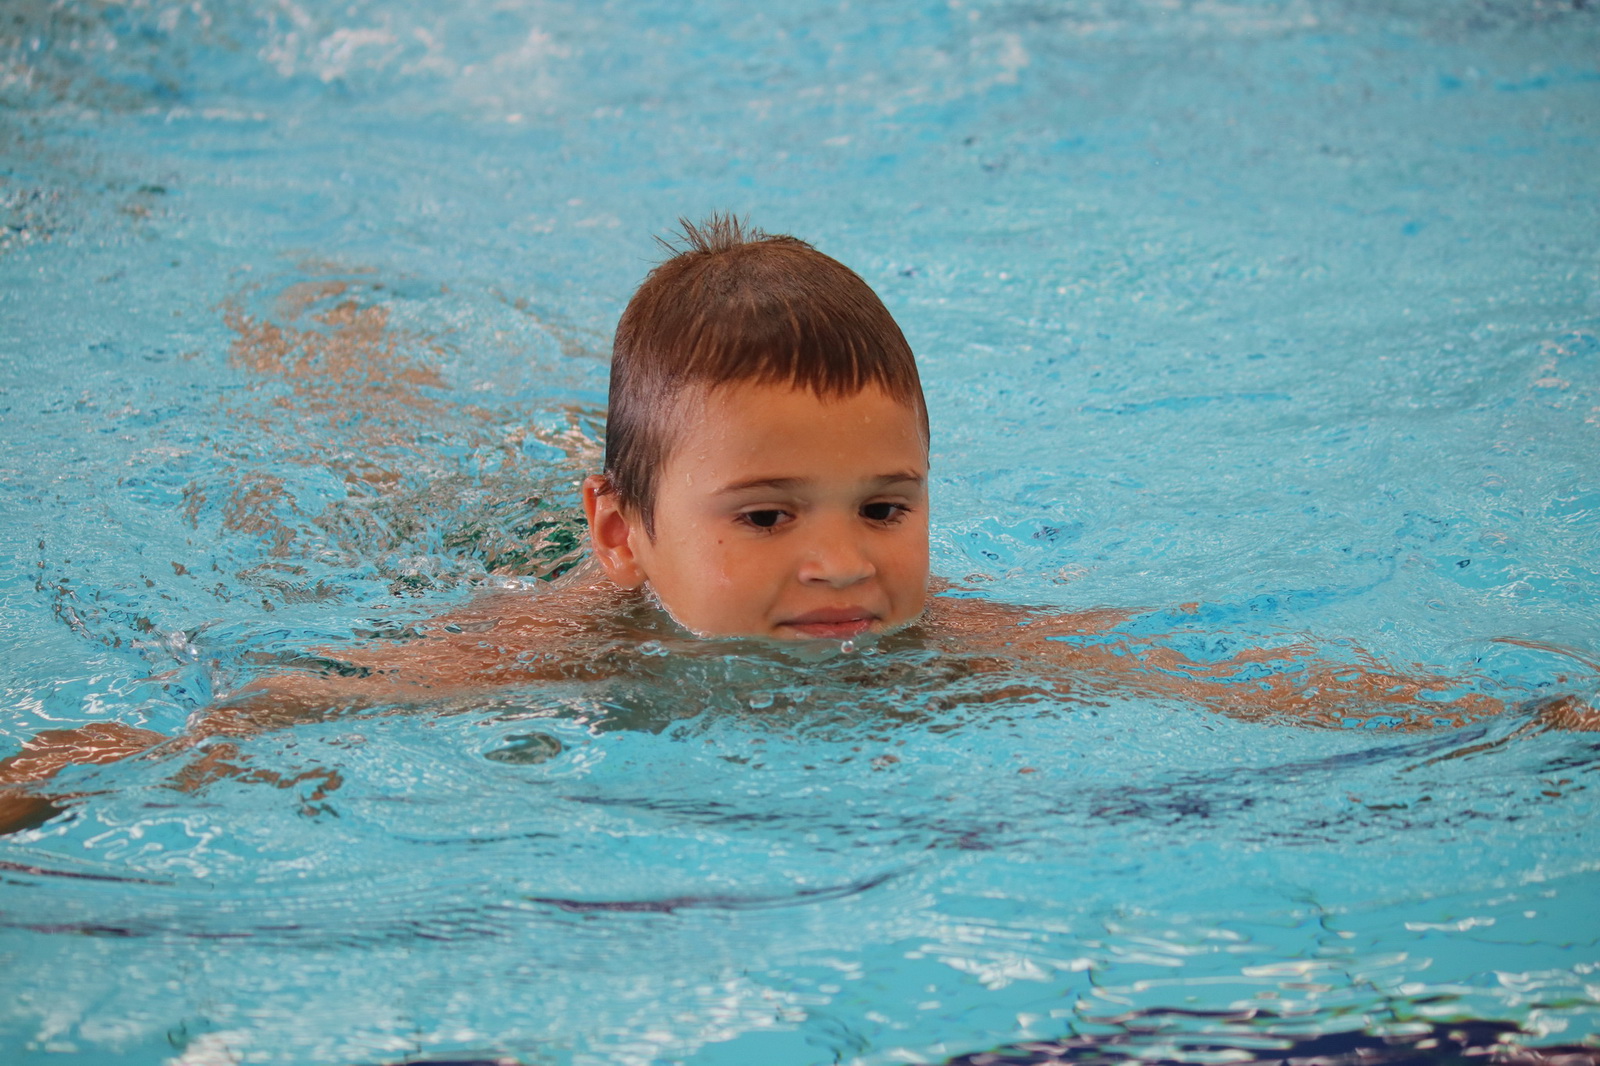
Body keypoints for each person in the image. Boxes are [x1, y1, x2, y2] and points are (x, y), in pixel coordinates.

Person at [1, 216, 1592, 835]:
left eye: (887, 505)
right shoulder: (540, 644)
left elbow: (1230, 690)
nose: (842, 561)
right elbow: (306, 704)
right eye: (769, 515)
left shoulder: (953, 644)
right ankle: (333, 333)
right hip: (473, 528)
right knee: (381, 458)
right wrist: (77, 772)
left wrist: (1506, 718)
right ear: (625, 536)